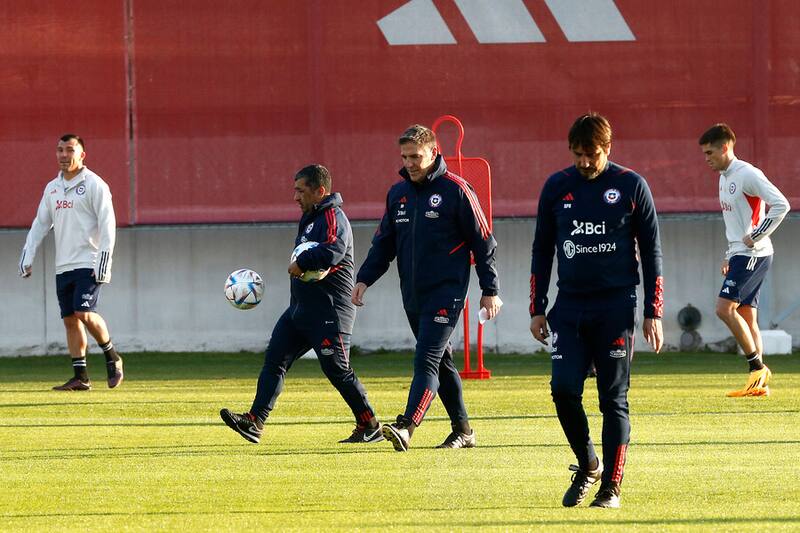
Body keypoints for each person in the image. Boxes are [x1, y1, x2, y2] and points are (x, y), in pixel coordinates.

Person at [529, 113, 664, 509]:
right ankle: (589, 464)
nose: (585, 162)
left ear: (608, 148)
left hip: (616, 306)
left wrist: (653, 311)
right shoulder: (557, 186)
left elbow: (652, 252)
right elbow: (542, 249)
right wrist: (537, 307)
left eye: (592, 154)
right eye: (578, 154)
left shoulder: (631, 185)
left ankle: (611, 488)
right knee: (562, 390)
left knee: (612, 399)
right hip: (569, 306)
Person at [353, 124, 501, 452]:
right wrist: (364, 278)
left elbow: (484, 242)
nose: (409, 163)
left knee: (426, 360)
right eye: (405, 157)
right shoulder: (398, 194)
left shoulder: (457, 190)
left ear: (433, 153)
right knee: (442, 364)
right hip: (413, 295)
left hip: (447, 293)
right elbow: (383, 244)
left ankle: (407, 426)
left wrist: (490, 289)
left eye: (416, 157)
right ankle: (464, 431)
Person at [220, 164, 382, 444]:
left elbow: (333, 251)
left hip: (329, 311)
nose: (295, 197)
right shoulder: (309, 218)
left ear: (320, 191)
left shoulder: (333, 216)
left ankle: (370, 425)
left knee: (337, 370)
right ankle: (255, 421)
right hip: (300, 309)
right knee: (275, 360)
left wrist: (303, 262)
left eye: (300, 190)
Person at [19, 134, 123, 391]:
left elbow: (108, 225)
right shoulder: (52, 188)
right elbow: (40, 223)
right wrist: (27, 255)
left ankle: (112, 357)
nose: (63, 155)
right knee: (70, 319)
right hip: (63, 265)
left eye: (69, 150)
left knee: (83, 312)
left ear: (82, 155)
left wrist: (104, 262)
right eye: (60, 150)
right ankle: (81, 377)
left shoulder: (95, 184)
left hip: (89, 262)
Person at [699, 124, 790, 397]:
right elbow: (735, 223)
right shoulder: (723, 178)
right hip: (741, 254)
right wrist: (730, 254)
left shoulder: (748, 174)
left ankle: (757, 367)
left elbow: (781, 204)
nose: (706, 159)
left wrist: (757, 235)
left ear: (725, 147)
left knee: (724, 309)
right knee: (748, 317)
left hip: (753, 254)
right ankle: (759, 386)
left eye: (710, 153)